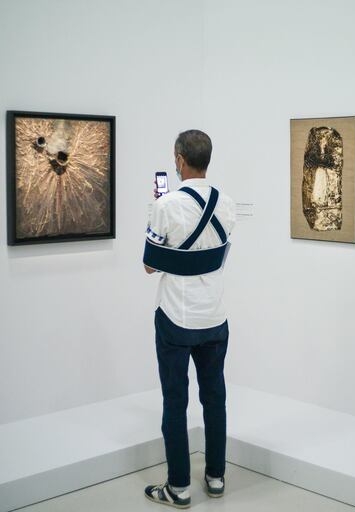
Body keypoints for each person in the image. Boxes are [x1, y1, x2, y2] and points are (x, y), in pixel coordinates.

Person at [142, 130, 236, 509]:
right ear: (207, 160)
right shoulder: (227, 204)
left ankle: (179, 488)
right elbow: (217, 255)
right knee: (215, 398)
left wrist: (159, 214)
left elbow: (150, 265)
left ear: (179, 160)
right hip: (215, 316)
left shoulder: (165, 206)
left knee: (175, 400)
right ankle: (216, 477)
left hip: (176, 319)